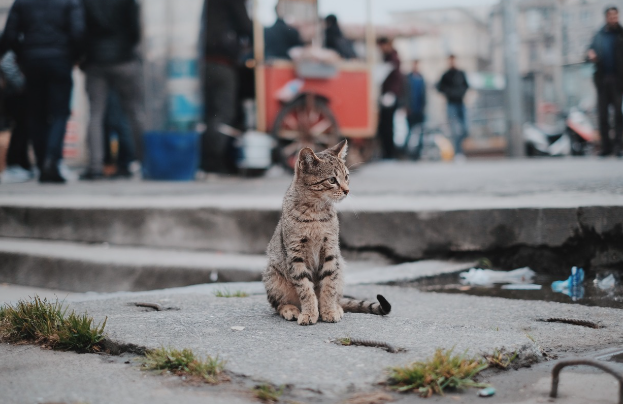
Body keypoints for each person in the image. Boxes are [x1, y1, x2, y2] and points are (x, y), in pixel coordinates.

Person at [3, 0, 85, 183]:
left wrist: (23, 54)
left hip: (32, 61)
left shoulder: (22, 2)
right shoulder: (70, 2)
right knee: (60, 113)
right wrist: (74, 57)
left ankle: (42, 164)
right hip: (60, 59)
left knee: (36, 114)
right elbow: (78, 32)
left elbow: (9, 34)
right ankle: (52, 160)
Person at [81, 0, 145, 180]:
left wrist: (84, 56)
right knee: (134, 112)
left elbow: (81, 30)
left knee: (95, 114)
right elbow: (135, 30)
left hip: (95, 60)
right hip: (124, 59)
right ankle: (145, 162)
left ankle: (95, 167)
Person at [201, 0, 252, 174]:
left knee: (209, 114)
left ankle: (207, 160)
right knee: (222, 114)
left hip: (200, 59)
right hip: (221, 59)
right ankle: (213, 163)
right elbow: (246, 26)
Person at [588, 6, 623, 157]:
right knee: (602, 115)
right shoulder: (599, 35)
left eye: (616, 16)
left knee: (618, 115)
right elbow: (589, 51)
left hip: (618, 79)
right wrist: (590, 54)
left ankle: (619, 146)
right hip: (602, 79)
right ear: (606, 17)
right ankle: (606, 147)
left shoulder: (621, 34)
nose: (613, 19)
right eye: (611, 16)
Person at [0, 33, 31, 183]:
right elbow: (6, 63)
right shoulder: (18, 38)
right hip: (15, 94)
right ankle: (15, 164)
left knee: (23, 129)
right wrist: (22, 85)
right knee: (20, 128)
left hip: (14, 92)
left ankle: (23, 164)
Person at [437, 55, 469, 159]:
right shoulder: (446, 75)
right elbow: (439, 87)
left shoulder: (461, 73)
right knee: (455, 129)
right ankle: (458, 152)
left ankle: (460, 150)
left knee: (465, 128)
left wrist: (461, 93)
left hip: (461, 103)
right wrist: (449, 93)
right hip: (451, 105)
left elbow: (467, 86)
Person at [376, 37, 403, 160]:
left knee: (387, 126)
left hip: (390, 95)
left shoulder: (393, 58)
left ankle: (389, 154)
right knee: (386, 125)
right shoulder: (391, 57)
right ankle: (388, 153)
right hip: (389, 94)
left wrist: (390, 93)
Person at [403, 60, 427, 159]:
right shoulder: (408, 78)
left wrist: (424, 107)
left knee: (420, 132)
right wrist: (406, 107)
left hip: (419, 110)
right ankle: (406, 152)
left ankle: (418, 153)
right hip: (411, 110)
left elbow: (424, 95)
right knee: (409, 132)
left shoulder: (421, 78)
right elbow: (405, 93)